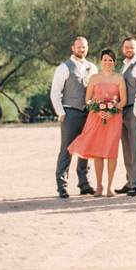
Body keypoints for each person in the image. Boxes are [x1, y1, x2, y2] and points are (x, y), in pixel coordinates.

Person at [67, 48, 127, 196]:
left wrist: (112, 110)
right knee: (98, 151)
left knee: (112, 151)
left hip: (114, 118)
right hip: (97, 117)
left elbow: (123, 100)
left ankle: (110, 186)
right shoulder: (94, 78)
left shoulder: (119, 78)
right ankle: (99, 186)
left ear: (114, 62)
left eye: (110, 60)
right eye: (105, 60)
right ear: (101, 61)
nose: (107, 63)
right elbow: (88, 99)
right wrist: (98, 109)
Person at [50, 36, 98, 198]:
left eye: (84, 47)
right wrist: (61, 113)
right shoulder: (63, 68)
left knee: (86, 149)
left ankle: (84, 184)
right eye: (78, 47)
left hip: (88, 114)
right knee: (66, 149)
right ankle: (62, 185)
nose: (81, 49)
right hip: (70, 113)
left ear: (87, 48)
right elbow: (55, 92)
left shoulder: (92, 67)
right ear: (73, 48)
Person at [116, 37, 136, 196]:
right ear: (123, 49)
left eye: (132, 47)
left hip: (135, 109)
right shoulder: (125, 65)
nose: (129, 49)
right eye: (126, 47)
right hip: (124, 110)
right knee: (127, 146)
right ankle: (130, 181)